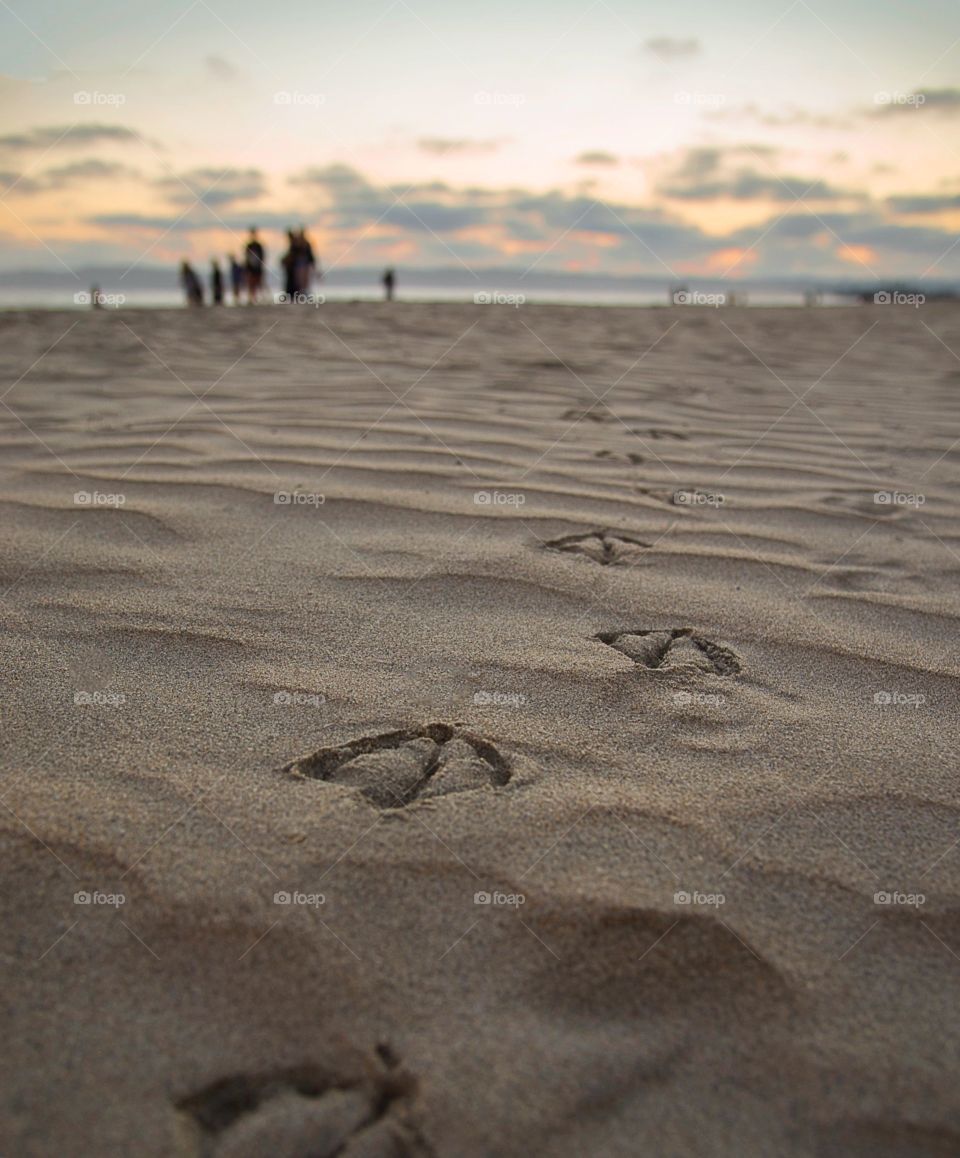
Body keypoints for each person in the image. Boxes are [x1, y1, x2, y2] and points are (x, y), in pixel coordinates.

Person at [244, 227, 265, 303]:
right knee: (251, 283)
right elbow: (247, 257)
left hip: (257, 267)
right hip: (251, 268)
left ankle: (260, 298)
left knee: (258, 282)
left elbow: (262, 257)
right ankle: (252, 298)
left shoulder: (258, 246)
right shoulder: (249, 246)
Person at [295, 227, 316, 295]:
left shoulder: (306, 244)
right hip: (299, 264)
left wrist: (313, 264)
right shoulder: (297, 244)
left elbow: (310, 255)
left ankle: (305, 291)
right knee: (299, 279)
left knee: (305, 279)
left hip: (305, 264)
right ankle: (301, 291)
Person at [281, 229, 298, 302]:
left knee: (291, 281)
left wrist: (285, 260)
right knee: (290, 281)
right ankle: (290, 295)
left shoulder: (294, 244)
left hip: (292, 267)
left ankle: (292, 295)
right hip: (291, 267)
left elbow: (293, 255)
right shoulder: (293, 244)